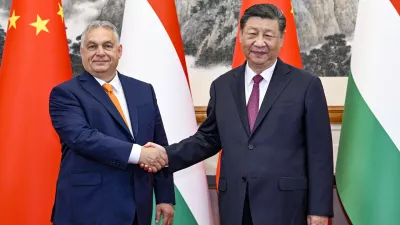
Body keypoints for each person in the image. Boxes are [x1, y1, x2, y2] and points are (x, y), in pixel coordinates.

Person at [142, 4, 333, 225]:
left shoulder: (306, 85)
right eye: (252, 34)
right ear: (240, 36)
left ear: (281, 38)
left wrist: (319, 210)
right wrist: (166, 155)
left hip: (286, 206)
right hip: (236, 204)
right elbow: (208, 139)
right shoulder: (222, 86)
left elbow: (320, 153)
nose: (259, 42)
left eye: (268, 35)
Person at [49, 21, 174, 225]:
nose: (100, 52)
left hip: (137, 209)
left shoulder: (144, 91)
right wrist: (138, 154)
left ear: (119, 50)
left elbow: (159, 145)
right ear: (82, 52)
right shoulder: (65, 93)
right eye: (92, 46)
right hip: (87, 210)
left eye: (107, 45)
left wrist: (165, 196)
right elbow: (82, 138)